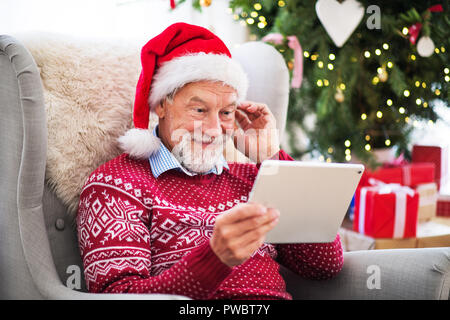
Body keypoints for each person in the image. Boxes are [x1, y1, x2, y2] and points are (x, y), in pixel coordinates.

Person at [77, 22, 343, 299]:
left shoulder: (256, 177)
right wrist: (215, 259)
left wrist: (272, 158)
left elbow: (324, 265)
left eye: (226, 113)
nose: (215, 129)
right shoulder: (115, 184)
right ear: (161, 105)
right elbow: (120, 294)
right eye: (200, 109)